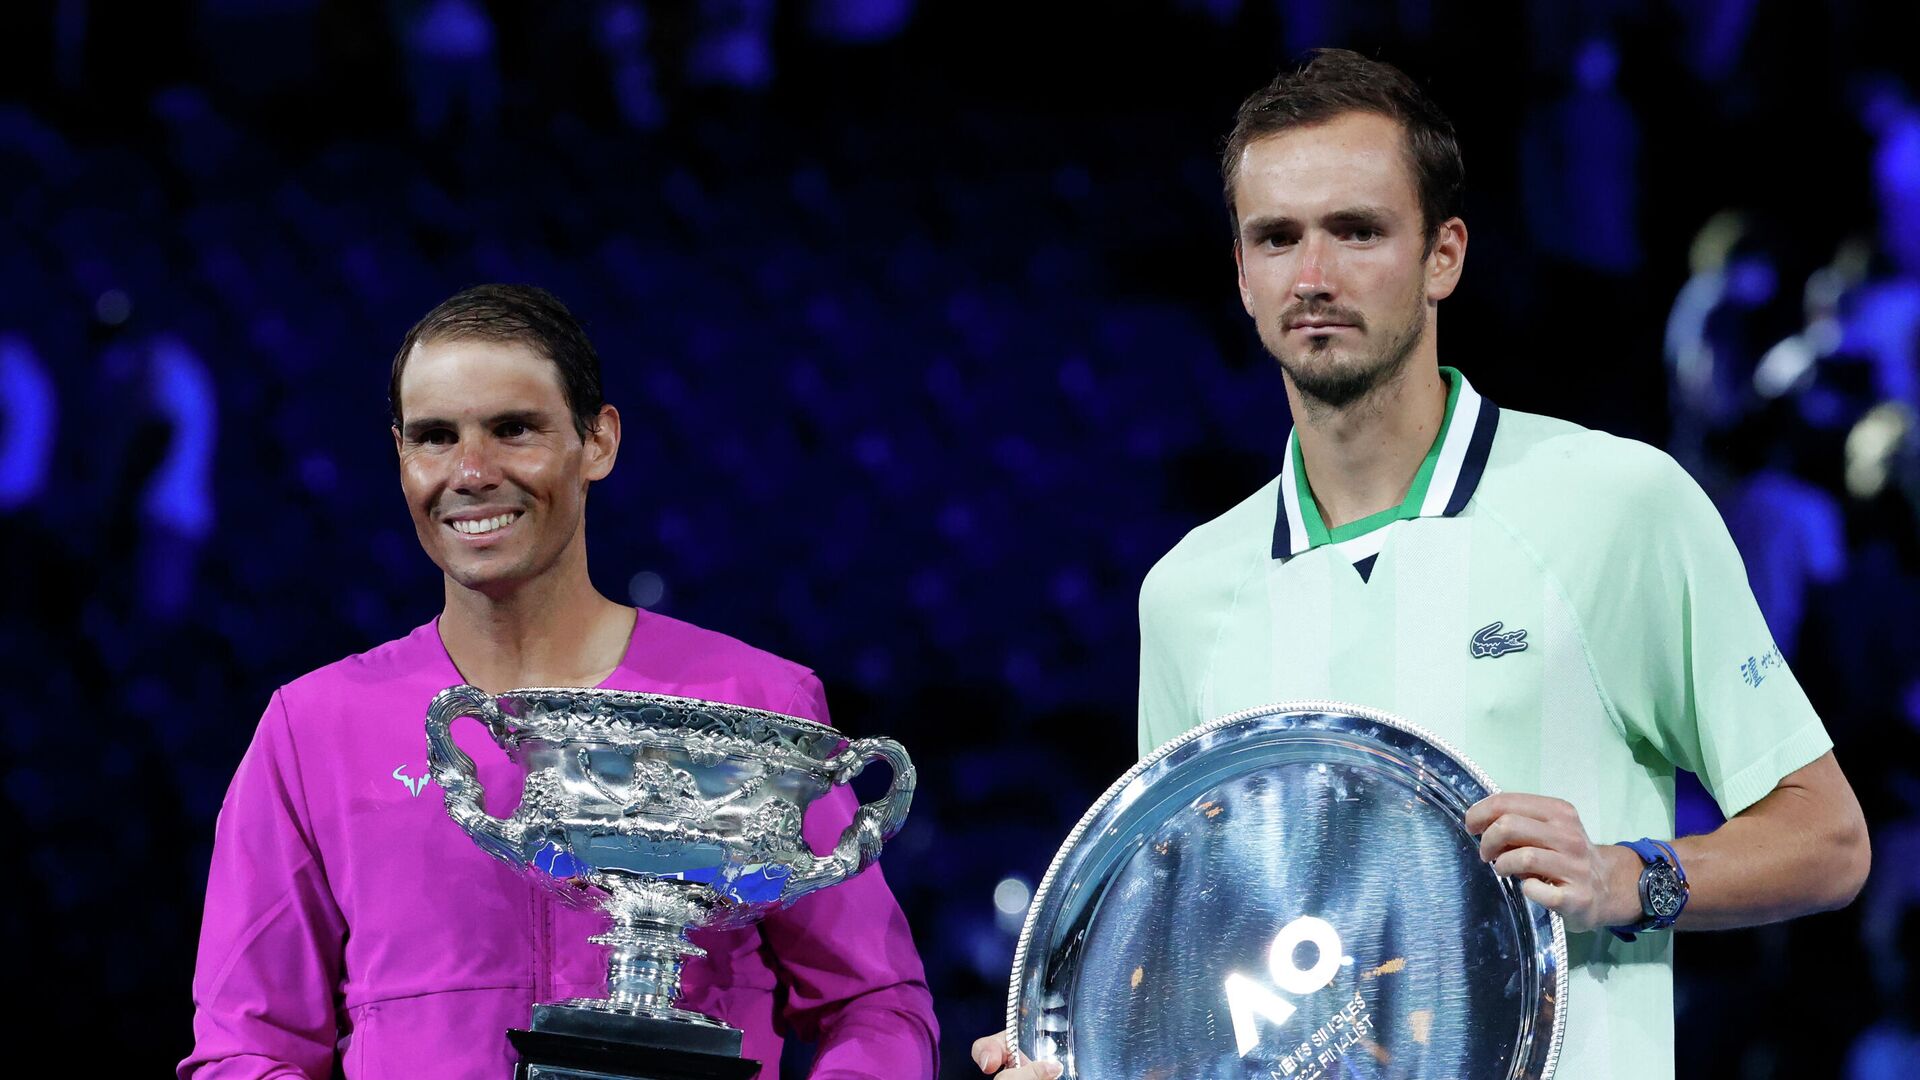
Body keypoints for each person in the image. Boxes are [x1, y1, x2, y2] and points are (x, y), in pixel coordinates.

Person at [975, 49, 1868, 1079]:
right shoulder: (1186, 595)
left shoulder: (1617, 503)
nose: (1314, 276)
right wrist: (1091, 1053)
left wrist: (1627, 877)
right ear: (1242, 273)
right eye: (1278, 238)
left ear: (1444, 255)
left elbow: (1830, 840)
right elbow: (1209, 974)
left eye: (1357, 231)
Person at [183, 285, 937, 1077]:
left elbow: (875, 1004)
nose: (471, 472)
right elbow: (247, 1046)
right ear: (400, 457)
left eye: (514, 429)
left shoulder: (752, 701)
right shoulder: (314, 727)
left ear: (598, 442)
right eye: (436, 438)